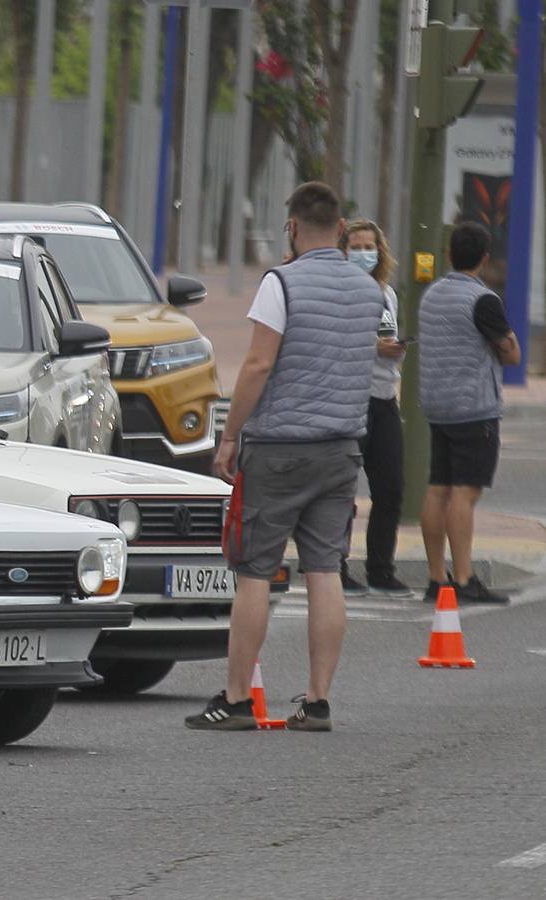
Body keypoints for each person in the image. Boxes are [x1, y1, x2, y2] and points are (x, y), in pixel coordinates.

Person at [189, 182, 382, 734]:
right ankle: (317, 701)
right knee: (325, 570)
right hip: (343, 448)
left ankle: (236, 699)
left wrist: (230, 436)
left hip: (279, 448)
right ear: (342, 229)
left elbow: (257, 365)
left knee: (254, 572)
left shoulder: (282, 282)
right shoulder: (368, 288)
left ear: (293, 227)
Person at [417, 220, 522, 605]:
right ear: (484, 258)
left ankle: (434, 576)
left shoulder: (431, 294)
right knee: (464, 493)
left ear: (448, 254)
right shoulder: (483, 300)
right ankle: (463, 578)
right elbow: (510, 351)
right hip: (474, 409)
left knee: (437, 489)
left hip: (438, 406)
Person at [337, 219, 410, 597]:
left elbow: (387, 335)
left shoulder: (388, 294)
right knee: (344, 487)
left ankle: (381, 567)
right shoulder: (341, 292)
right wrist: (373, 347)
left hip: (384, 397)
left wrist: (395, 347)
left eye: (371, 247)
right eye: (357, 246)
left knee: (391, 487)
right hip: (352, 395)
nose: (365, 253)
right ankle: (335, 565)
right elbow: (338, 339)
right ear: (343, 251)